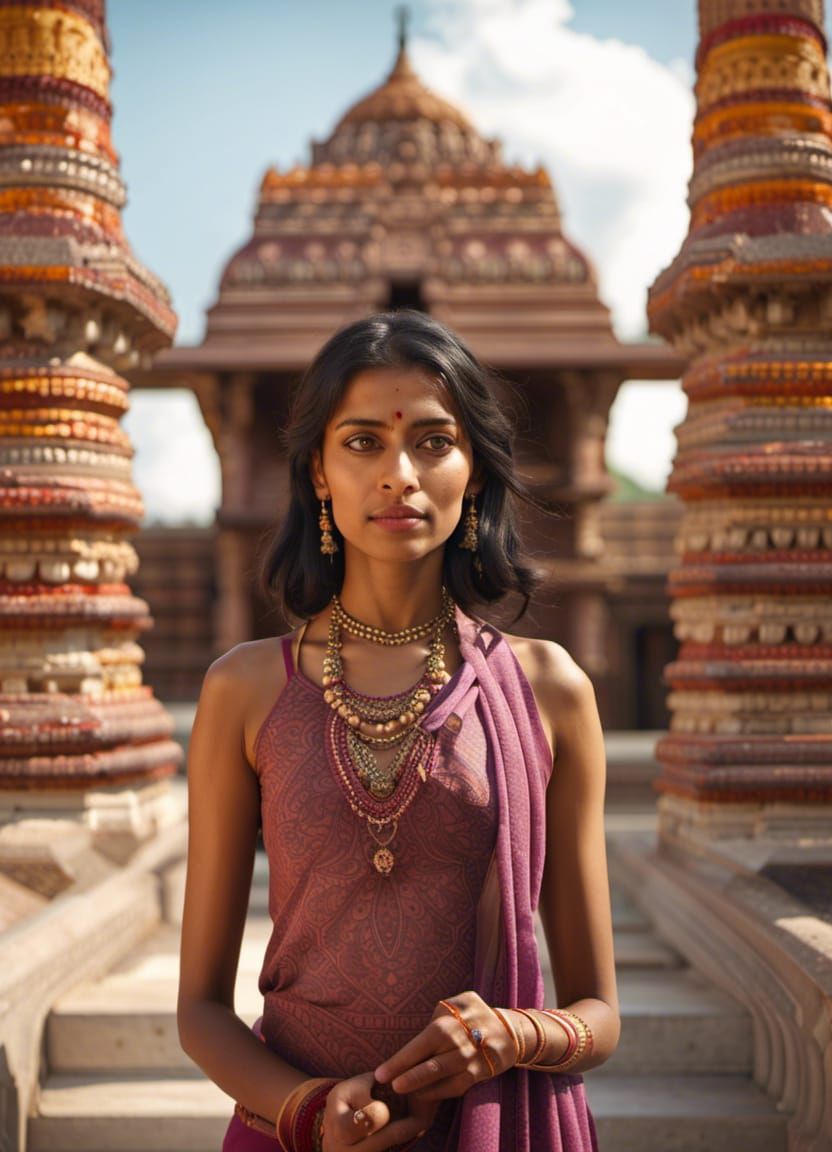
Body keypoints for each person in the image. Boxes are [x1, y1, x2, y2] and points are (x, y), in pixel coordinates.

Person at [177, 310, 620, 1152]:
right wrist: (310, 1109)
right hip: (295, 1129)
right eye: (362, 443)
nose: (399, 475)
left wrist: (512, 1036)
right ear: (317, 472)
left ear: (475, 473)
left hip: (487, 1126)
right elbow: (200, 1009)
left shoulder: (550, 691)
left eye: (431, 442)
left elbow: (599, 1014)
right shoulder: (244, 689)